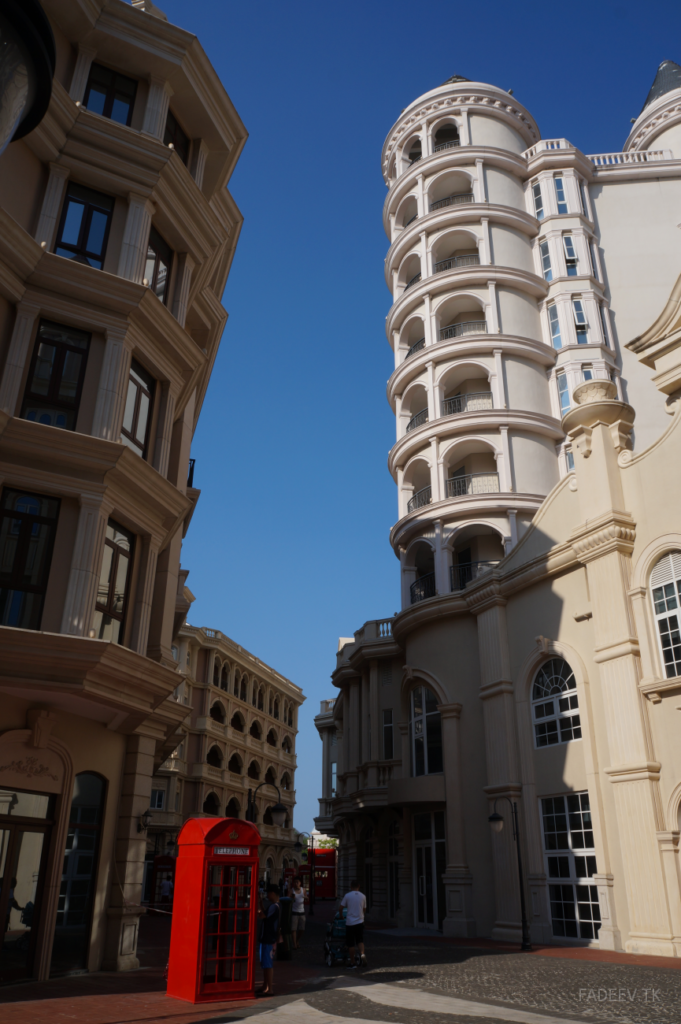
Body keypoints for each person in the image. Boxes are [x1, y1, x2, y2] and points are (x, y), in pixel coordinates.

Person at [257, 883, 282, 995]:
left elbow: (263, 916)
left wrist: (258, 911)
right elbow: (266, 915)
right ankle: (265, 985)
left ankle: (269, 988)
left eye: (268, 893)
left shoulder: (274, 906)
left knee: (268, 964)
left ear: (272, 893)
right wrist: (261, 904)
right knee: (265, 964)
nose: (267, 895)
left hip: (268, 938)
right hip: (267, 937)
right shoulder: (274, 906)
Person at [340, 879, 367, 968]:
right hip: (360, 922)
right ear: (359, 886)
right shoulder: (363, 896)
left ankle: (352, 962)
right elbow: (364, 909)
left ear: (351, 887)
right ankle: (362, 954)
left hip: (350, 923)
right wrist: (361, 915)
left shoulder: (347, 896)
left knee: (351, 943)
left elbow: (341, 907)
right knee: (360, 940)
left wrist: (341, 915)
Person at [290, 876, 307, 949]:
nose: (296, 883)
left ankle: (297, 940)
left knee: (302, 929)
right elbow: (287, 900)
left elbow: (306, 898)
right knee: (293, 929)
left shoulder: (303, 890)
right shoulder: (291, 891)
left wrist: (306, 898)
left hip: (302, 912)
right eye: (295, 882)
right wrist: (291, 898)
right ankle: (294, 944)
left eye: (297, 882)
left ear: (300, 883)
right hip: (294, 912)